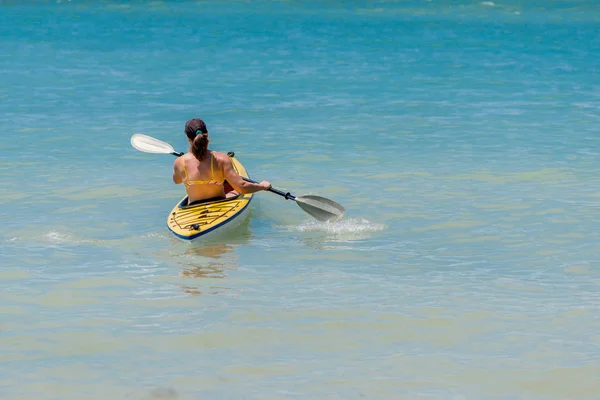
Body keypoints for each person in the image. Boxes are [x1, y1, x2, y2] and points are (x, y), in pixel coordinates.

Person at [172, 118, 271, 205]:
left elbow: (177, 181)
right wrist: (262, 186)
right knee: (233, 192)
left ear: (188, 138)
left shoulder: (179, 162)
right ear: (207, 134)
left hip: (193, 208)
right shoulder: (221, 159)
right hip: (219, 203)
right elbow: (242, 187)